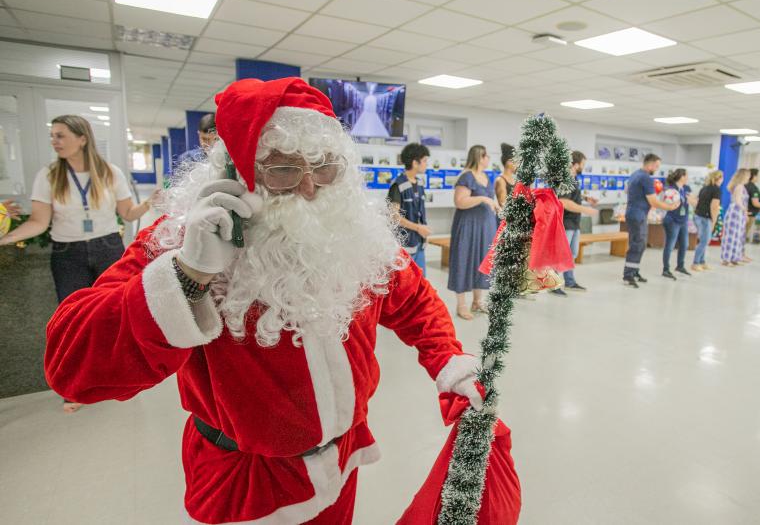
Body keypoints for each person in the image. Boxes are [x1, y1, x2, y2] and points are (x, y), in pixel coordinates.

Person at [42, 77, 483, 525]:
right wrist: (188, 273)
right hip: (245, 484)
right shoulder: (180, 239)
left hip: (343, 462)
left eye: (325, 165)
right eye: (284, 169)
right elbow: (72, 368)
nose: (311, 187)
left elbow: (412, 300)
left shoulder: (351, 233)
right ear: (236, 174)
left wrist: (447, 359)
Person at [0, 115, 158, 412]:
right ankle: (74, 387)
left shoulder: (110, 173)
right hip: (67, 251)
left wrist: (150, 204)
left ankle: (119, 376)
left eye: (60, 135)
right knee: (72, 317)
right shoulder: (48, 176)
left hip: (107, 246)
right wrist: (5, 239)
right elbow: (38, 222)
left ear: (82, 138)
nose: (54, 142)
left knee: (114, 313)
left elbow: (128, 214)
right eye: (53, 136)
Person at [448, 145, 499, 320]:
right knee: (464, 259)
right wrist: (483, 198)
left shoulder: (485, 176)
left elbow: (490, 199)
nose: (488, 159)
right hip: (468, 225)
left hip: (486, 226)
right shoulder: (466, 176)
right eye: (486, 156)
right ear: (479, 157)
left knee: (482, 262)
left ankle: (477, 301)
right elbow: (460, 201)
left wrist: (495, 205)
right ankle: (461, 304)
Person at [623, 153, 680, 288]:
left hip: (634, 213)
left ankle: (634, 271)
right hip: (637, 215)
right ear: (650, 164)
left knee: (639, 244)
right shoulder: (646, 178)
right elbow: (653, 201)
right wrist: (670, 207)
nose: (657, 168)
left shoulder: (635, 174)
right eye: (657, 166)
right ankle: (628, 275)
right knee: (638, 244)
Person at [555, 150, 598, 295]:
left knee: (571, 254)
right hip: (565, 223)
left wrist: (586, 199)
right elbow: (564, 201)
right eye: (582, 164)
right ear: (575, 164)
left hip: (574, 223)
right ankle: (553, 285)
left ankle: (570, 282)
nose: (583, 167)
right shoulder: (566, 179)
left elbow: (572, 196)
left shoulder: (573, 179)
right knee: (561, 254)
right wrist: (586, 210)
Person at [387, 143, 431, 275]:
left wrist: (424, 230)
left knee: (421, 283)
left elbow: (420, 212)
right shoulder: (398, 185)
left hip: (419, 244)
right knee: (405, 285)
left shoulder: (420, 183)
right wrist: (418, 228)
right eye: (424, 161)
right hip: (404, 246)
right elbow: (394, 216)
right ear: (415, 162)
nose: (426, 164)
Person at [661, 168, 692, 280]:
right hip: (672, 220)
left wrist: (692, 201)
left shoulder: (686, 189)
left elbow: (690, 202)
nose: (688, 178)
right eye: (687, 175)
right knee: (670, 246)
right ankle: (666, 269)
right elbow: (666, 202)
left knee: (685, 244)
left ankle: (680, 266)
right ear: (682, 176)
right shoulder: (671, 190)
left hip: (683, 220)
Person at [692, 170, 723, 272]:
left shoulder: (704, 188)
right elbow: (714, 207)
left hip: (698, 215)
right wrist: (714, 221)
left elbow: (698, 201)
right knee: (705, 241)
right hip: (705, 217)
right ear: (718, 178)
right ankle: (696, 263)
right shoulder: (716, 190)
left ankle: (702, 261)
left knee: (704, 240)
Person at [720, 168, 750, 267]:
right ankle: (727, 259)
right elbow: (738, 201)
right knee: (731, 236)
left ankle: (734, 257)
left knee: (737, 236)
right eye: (747, 175)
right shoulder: (740, 187)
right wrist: (745, 210)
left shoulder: (741, 187)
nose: (749, 177)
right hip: (735, 213)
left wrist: (744, 213)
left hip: (738, 213)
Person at [743, 167, 760, 261]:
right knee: (743, 235)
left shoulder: (745, 185)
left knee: (741, 234)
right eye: (758, 175)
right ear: (754, 176)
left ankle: (740, 254)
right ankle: (740, 254)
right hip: (749, 215)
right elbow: (755, 203)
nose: (758, 178)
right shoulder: (753, 188)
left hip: (745, 213)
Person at [494, 142, 516, 209]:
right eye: (516, 162)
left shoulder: (514, 179)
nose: (518, 165)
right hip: (504, 218)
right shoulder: (501, 180)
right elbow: (503, 204)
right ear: (509, 162)